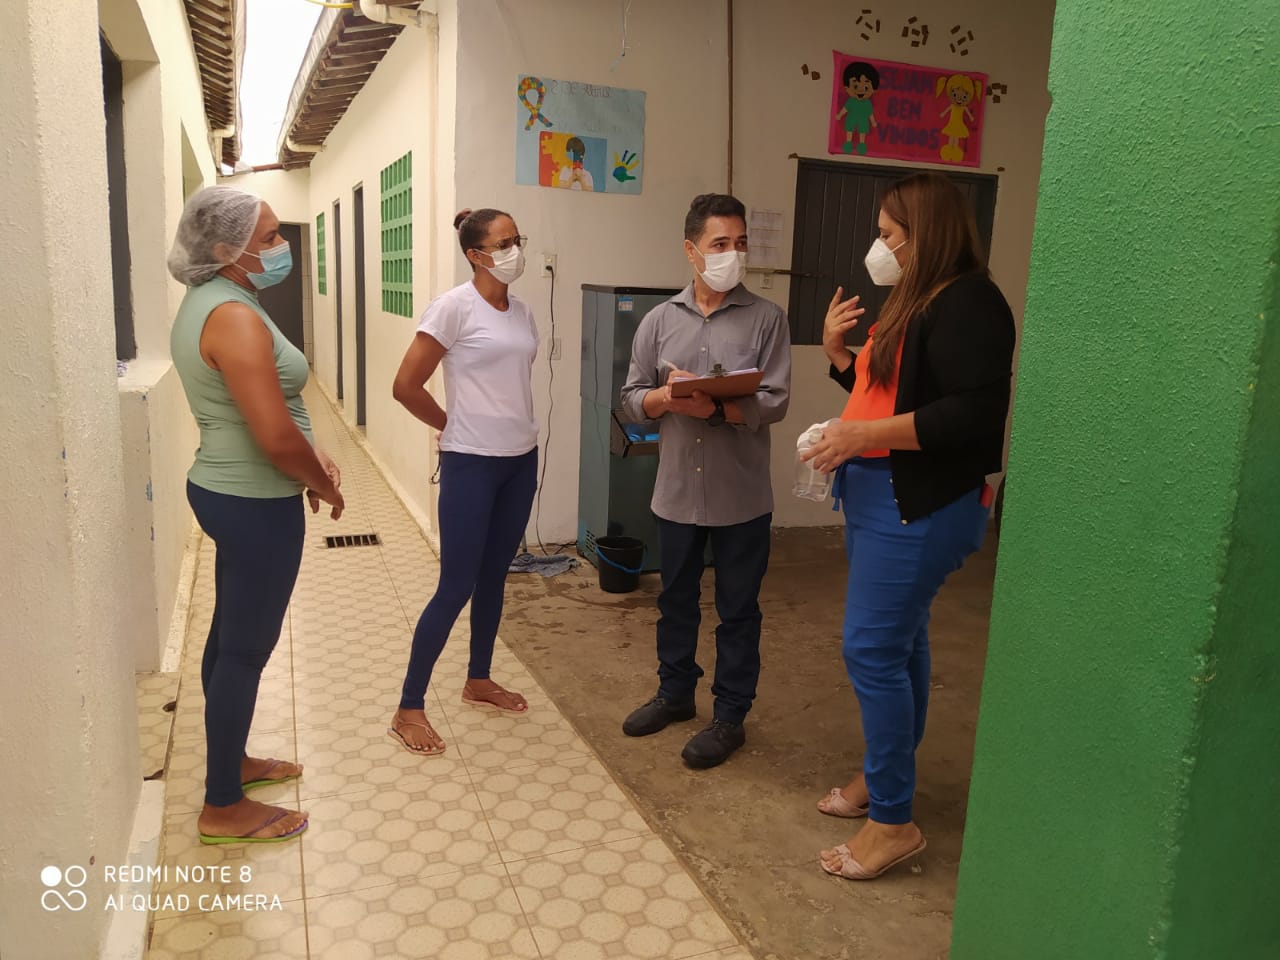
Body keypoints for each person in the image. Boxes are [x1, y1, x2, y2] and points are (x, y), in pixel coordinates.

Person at [803, 172, 1015, 879]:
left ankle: (893, 822)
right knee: (900, 641)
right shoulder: (919, 298)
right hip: (879, 495)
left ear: (928, 234)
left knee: (871, 649)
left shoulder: (970, 303)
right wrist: (839, 359)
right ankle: (882, 777)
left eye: (890, 234)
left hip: (918, 504)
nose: (879, 247)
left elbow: (971, 415)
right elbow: (889, 396)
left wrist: (860, 438)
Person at [168, 186, 345, 844]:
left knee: (227, 639)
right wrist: (321, 483)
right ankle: (222, 805)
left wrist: (310, 452)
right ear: (225, 250)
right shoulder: (233, 316)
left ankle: (232, 762)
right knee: (245, 651)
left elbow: (269, 412)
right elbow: (272, 435)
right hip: (253, 500)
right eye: (268, 238)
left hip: (232, 491)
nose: (281, 247)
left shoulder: (214, 300)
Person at [619, 193, 792, 769]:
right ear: (691, 251)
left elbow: (775, 401)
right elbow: (631, 397)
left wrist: (715, 409)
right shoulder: (658, 320)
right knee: (675, 601)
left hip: (741, 496)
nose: (732, 254)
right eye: (720, 244)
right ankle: (674, 695)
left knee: (738, 610)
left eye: (740, 243)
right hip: (676, 494)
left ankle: (729, 716)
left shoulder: (766, 318)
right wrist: (666, 399)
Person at [388, 208, 539, 755]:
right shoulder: (453, 307)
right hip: (471, 462)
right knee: (456, 585)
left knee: (495, 576)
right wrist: (450, 425)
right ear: (476, 255)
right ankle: (409, 707)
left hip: (520, 460)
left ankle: (479, 680)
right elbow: (406, 386)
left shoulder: (522, 313)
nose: (514, 250)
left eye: (517, 239)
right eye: (503, 243)